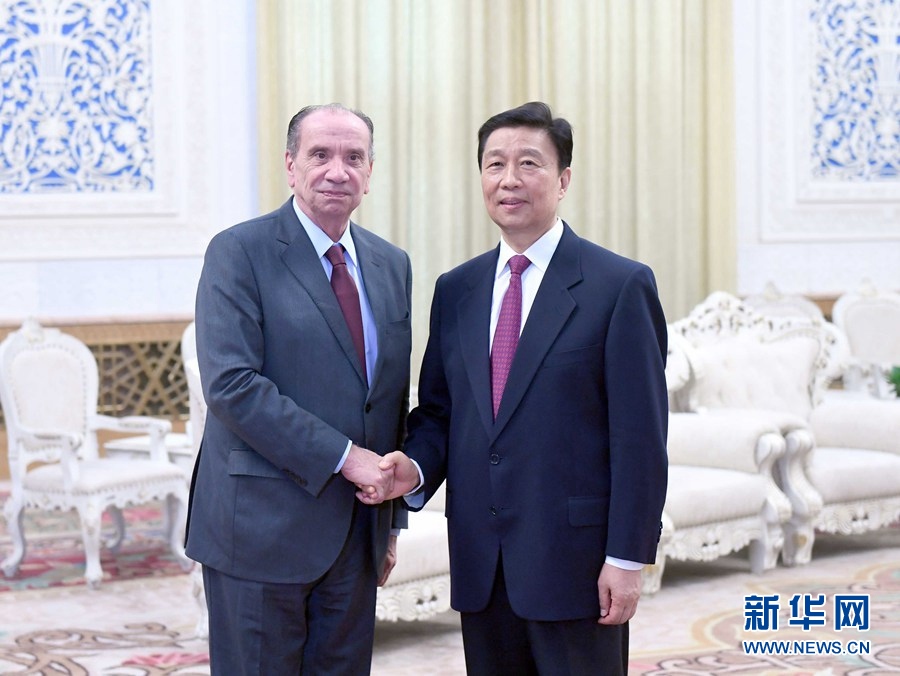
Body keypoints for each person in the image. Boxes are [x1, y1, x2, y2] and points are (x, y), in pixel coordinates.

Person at [366, 101, 668, 675]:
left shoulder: (618, 286)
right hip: (482, 563)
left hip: (576, 566)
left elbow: (641, 439)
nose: (509, 179)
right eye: (494, 164)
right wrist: (416, 467)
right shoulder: (457, 289)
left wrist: (627, 558)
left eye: (529, 163)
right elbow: (440, 413)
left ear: (563, 180)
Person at [185, 103, 412, 675]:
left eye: (353, 157)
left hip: (355, 534)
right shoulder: (239, 252)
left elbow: (387, 399)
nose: (337, 170)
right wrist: (346, 458)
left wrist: (389, 523)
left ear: (370, 171)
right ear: (290, 165)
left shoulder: (392, 264)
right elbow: (232, 385)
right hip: (259, 532)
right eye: (320, 154)